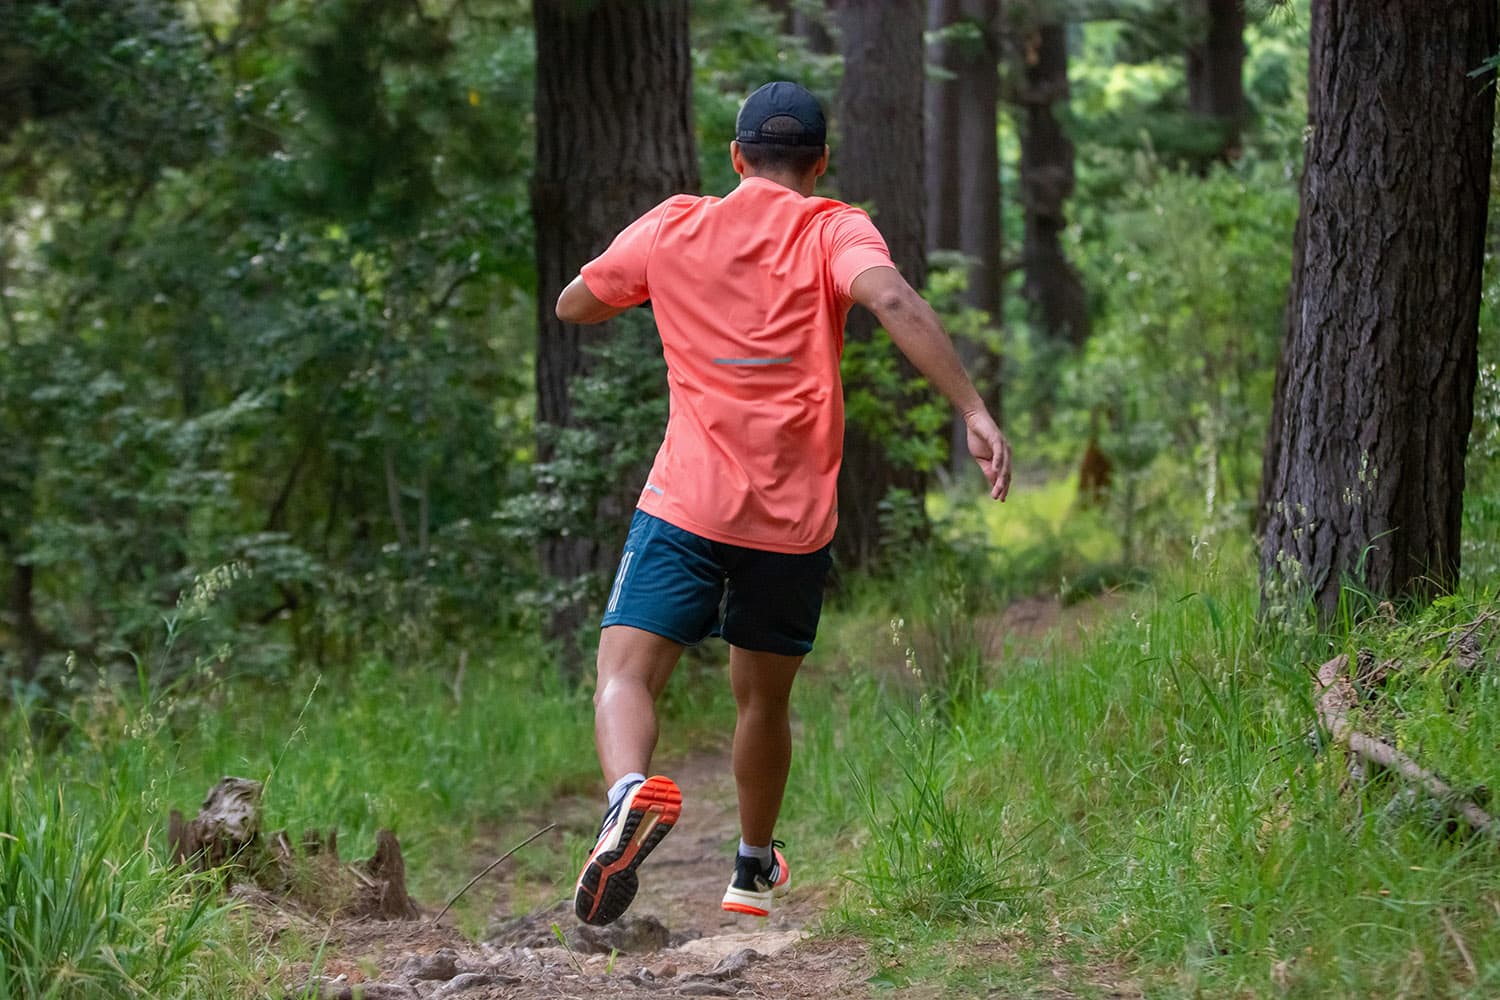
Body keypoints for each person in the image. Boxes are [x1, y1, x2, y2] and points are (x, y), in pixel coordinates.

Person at [556, 81, 1011, 927]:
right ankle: (751, 870)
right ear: (820, 162)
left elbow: (574, 304)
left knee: (624, 672)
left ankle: (626, 796)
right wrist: (974, 412)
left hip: (685, 504)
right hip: (792, 525)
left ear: (735, 158)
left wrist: (650, 286)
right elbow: (893, 300)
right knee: (763, 700)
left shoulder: (674, 224)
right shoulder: (832, 226)